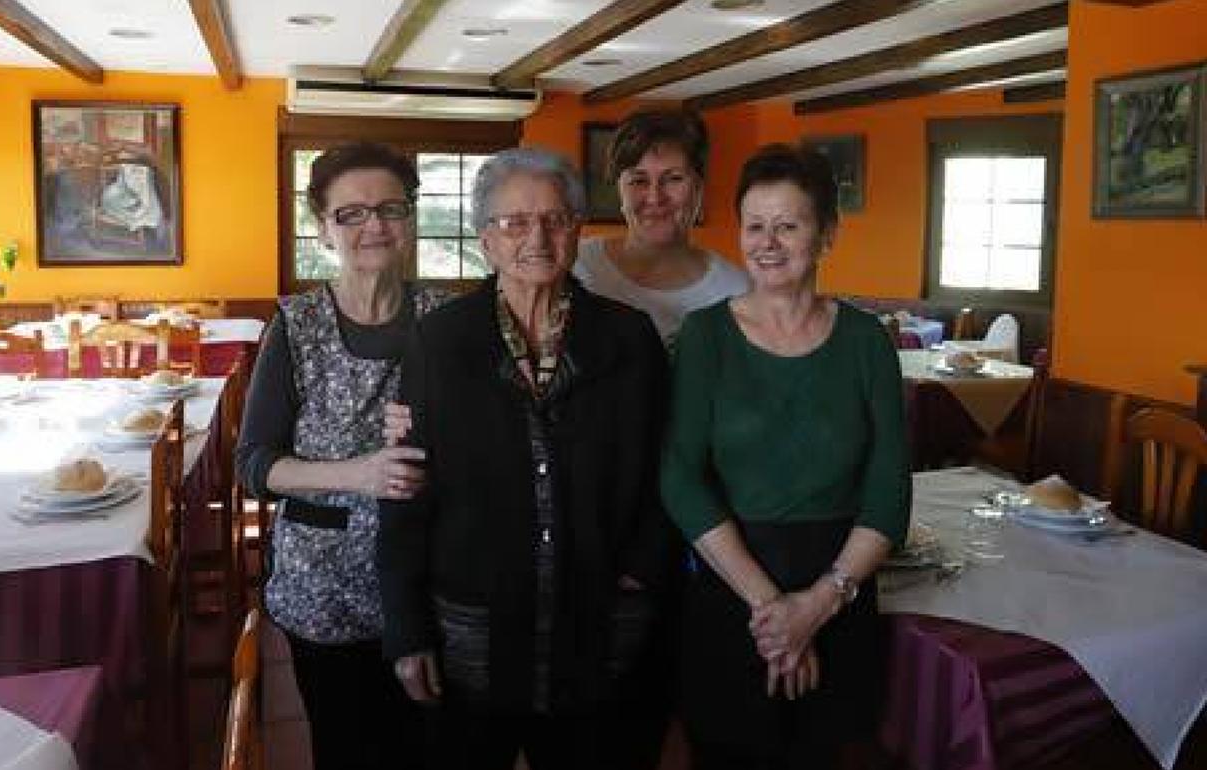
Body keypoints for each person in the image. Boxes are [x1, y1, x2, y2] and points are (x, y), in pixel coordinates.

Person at [379, 147, 676, 770]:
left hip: (597, 622)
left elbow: (663, 469)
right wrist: (407, 627)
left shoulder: (629, 337)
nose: (536, 237)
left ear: (577, 229)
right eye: (514, 222)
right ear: (485, 240)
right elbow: (405, 485)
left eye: (556, 219)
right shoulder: (439, 341)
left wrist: (641, 572)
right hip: (473, 626)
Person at [660, 143, 911, 770]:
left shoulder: (867, 343)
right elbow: (680, 476)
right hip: (732, 593)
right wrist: (774, 611)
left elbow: (889, 493)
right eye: (754, 225)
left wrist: (818, 604)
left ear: (826, 236)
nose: (767, 243)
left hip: (841, 592)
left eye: (788, 225)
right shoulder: (706, 337)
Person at [235, 142, 448, 770]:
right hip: (323, 585)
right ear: (324, 228)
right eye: (351, 213)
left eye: (390, 208)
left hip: (430, 577)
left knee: (429, 746)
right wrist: (359, 475)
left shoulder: (445, 319)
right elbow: (254, 465)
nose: (374, 225)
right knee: (347, 745)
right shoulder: (296, 325)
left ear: (410, 219)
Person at [572, 108, 749, 347]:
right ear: (619, 190)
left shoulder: (736, 291)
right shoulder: (576, 267)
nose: (655, 197)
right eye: (639, 180)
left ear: (698, 187)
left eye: (673, 178)